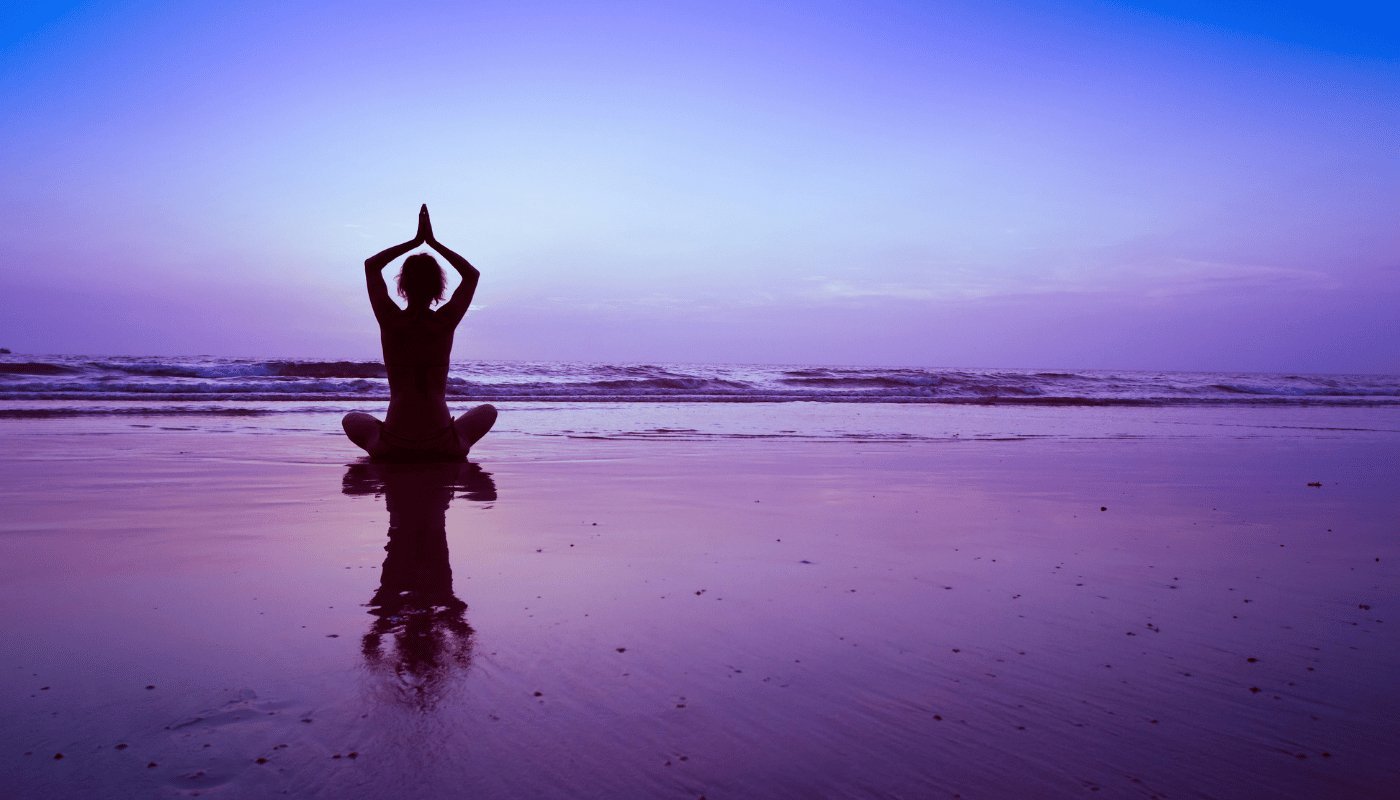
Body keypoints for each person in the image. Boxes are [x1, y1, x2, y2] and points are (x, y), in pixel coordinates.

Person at [342, 205, 496, 461]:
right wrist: (433, 243)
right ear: (438, 287)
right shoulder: (444, 322)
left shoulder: (391, 320)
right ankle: (456, 440)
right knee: (488, 410)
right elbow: (471, 275)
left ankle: (381, 438)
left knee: (351, 419)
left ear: (402, 285)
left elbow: (371, 266)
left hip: (393, 445)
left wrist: (414, 242)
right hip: (442, 444)